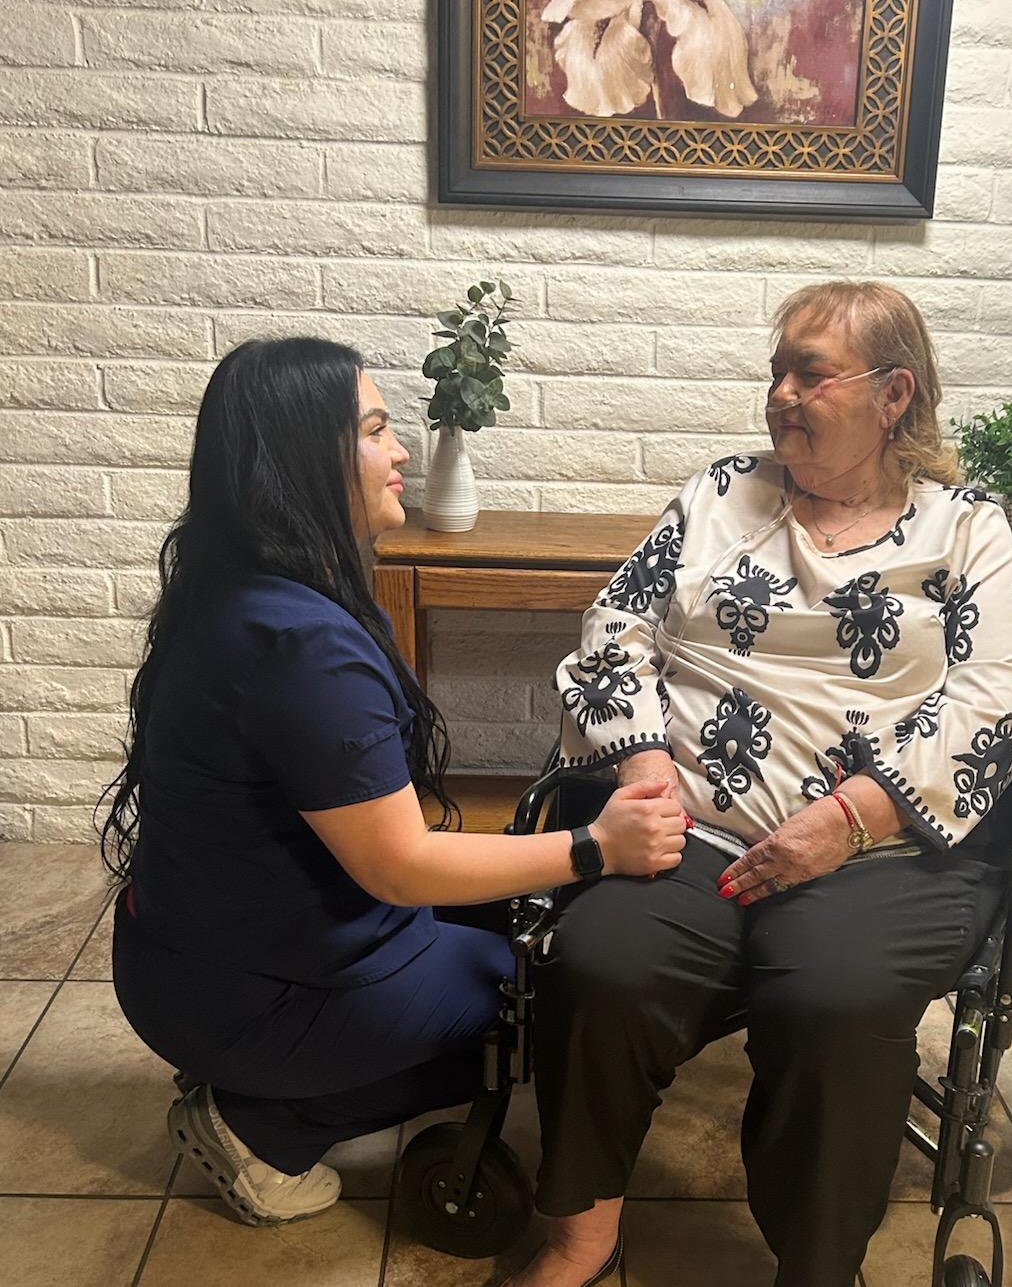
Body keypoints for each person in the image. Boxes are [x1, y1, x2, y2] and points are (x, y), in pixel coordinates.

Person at [470, 281, 1012, 1287]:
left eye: (810, 372)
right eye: (777, 368)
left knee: (834, 998)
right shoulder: (722, 494)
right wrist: (642, 769)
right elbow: (617, 626)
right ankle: (579, 1227)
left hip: (880, 851)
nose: (781, 393)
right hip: (693, 828)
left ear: (894, 394)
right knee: (601, 958)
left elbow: (1001, 694)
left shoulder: (963, 529)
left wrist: (852, 816)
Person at [102, 338, 685, 1228]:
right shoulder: (299, 644)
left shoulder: (254, 588)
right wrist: (594, 848)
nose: (401, 450)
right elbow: (401, 868)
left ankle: (275, 1075)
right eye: (376, 430)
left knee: (532, 921)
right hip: (242, 993)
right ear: (305, 459)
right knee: (548, 1004)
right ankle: (261, 1124)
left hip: (202, 952)